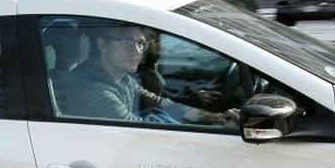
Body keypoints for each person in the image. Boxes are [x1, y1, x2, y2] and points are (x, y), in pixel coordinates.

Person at [65, 22, 235, 125]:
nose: (136, 51)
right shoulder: (94, 91)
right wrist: (218, 131)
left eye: (140, 43)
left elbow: (160, 103)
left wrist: (215, 118)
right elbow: (143, 130)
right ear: (103, 45)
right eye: (126, 42)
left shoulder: (122, 78)